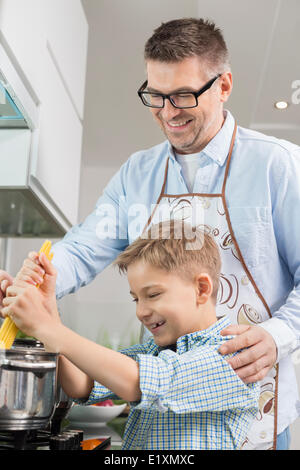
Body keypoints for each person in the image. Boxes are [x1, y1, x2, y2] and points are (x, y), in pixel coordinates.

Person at [0, 17, 299, 449]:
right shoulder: (136, 174)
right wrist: (38, 282)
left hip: (260, 402)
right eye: (155, 96)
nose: (167, 111)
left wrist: (277, 335)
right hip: (160, 402)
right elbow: (85, 247)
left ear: (224, 85)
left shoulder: (280, 166)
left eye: (182, 95)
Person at [1, 221, 260, 450]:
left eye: (153, 294)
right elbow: (82, 383)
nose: (141, 311)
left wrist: (47, 327)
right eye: (136, 298)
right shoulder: (152, 351)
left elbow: (146, 382)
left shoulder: (234, 355)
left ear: (201, 289)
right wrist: (48, 313)